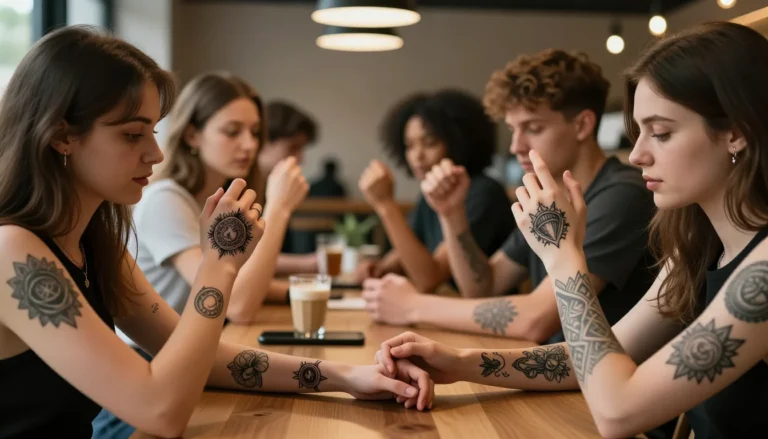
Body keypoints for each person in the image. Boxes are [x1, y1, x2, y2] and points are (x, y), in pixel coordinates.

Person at [0, 26, 432, 439]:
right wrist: (219, 265)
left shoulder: (95, 240)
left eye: (152, 131)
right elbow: (161, 412)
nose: (154, 152)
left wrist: (347, 376)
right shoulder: (13, 252)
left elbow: (206, 359)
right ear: (61, 136)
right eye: (132, 134)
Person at [377, 22, 768, 439]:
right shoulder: (697, 245)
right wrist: (460, 361)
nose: (637, 154)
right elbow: (596, 355)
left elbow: (618, 411)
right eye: (639, 133)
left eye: (661, 133)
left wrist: (562, 256)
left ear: (736, 133)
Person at [363, 49, 656, 346]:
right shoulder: (544, 197)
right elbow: (484, 286)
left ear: (582, 125)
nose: (516, 145)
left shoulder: (623, 194)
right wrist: (452, 215)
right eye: (513, 129)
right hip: (553, 371)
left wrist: (413, 305)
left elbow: (535, 319)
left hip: (591, 383)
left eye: (533, 128)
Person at [357, 89, 514, 292]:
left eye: (430, 143)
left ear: (459, 142)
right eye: (410, 145)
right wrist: (379, 268)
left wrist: (385, 204)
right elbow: (408, 251)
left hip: (481, 315)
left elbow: (429, 277)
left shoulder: (484, 192)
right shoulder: (430, 194)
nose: (417, 156)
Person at [257, 100, 322, 271]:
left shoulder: (270, 189)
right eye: (293, 148)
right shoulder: (235, 190)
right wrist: (313, 264)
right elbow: (240, 259)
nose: (300, 159)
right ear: (263, 142)